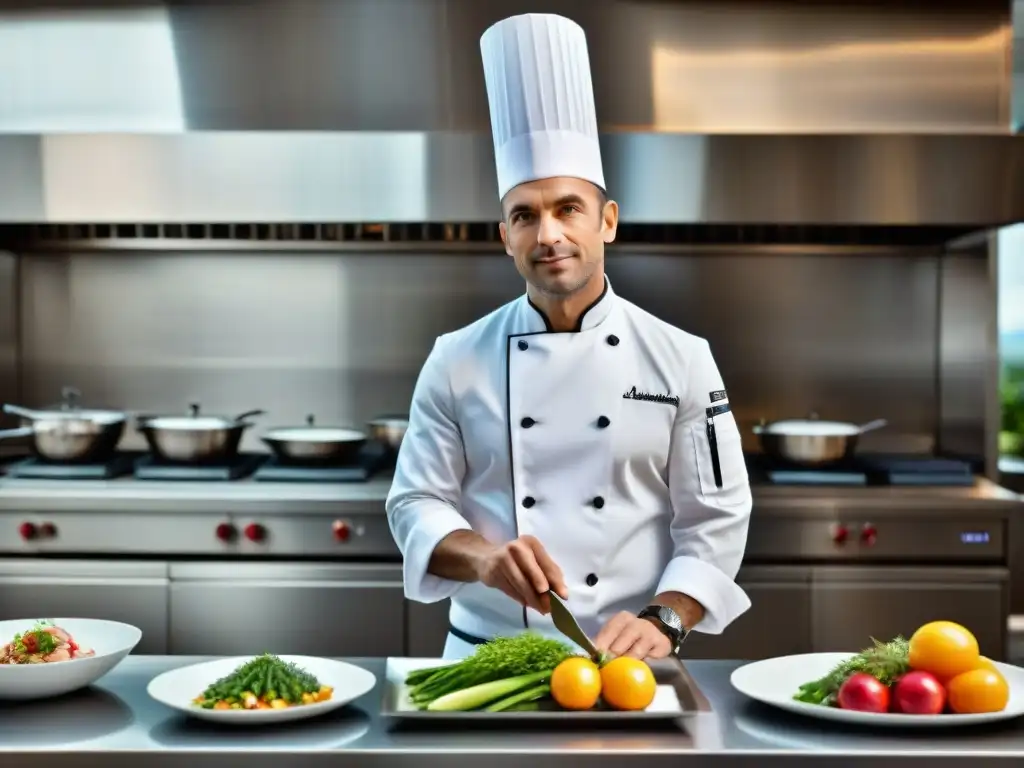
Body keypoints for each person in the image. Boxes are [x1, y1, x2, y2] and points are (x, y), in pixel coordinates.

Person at [387, 12, 752, 662]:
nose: (547, 234)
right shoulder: (455, 359)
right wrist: (485, 557)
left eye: (567, 209)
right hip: (481, 661)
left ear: (607, 221)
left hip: (628, 667)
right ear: (505, 237)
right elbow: (416, 501)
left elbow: (715, 519)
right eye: (524, 216)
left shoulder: (683, 359)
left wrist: (668, 618)